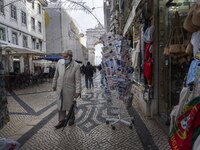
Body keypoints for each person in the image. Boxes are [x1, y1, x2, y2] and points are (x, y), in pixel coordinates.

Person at [52, 50, 81, 129]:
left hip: (70, 89)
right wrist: (54, 84)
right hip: (60, 88)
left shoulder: (76, 65)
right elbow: (56, 75)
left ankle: (71, 119)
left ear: (70, 56)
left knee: (70, 105)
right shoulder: (59, 62)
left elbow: (78, 80)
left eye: (65, 56)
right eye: (63, 56)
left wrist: (78, 91)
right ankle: (61, 121)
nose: (64, 58)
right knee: (60, 105)